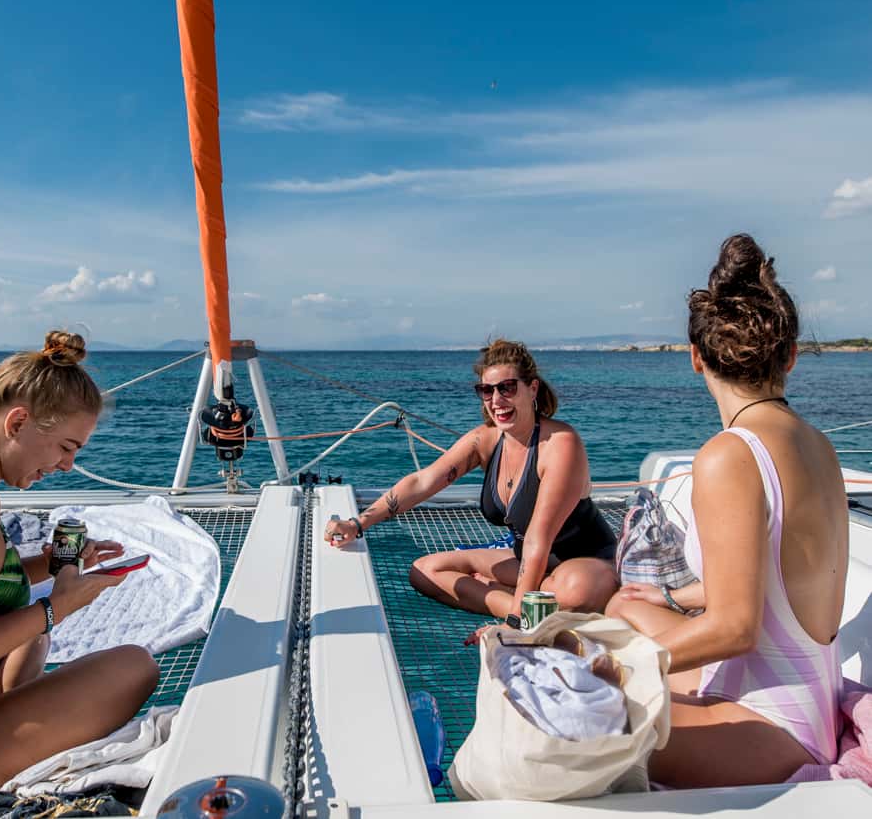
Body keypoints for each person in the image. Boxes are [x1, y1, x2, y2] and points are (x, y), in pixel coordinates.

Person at [606, 235, 848, 787]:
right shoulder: (819, 446)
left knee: (565, 718)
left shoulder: (729, 455)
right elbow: (779, 581)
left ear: (696, 358)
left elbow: (736, 629)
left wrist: (607, 667)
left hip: (772, 725)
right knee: (625, 606)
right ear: (790, 355)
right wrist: (671, 598)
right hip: (802, 701)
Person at [324, 338, 618, 643]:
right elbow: (422, 482)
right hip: (529, 565)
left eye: (507, 388)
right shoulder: (485, 440)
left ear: (533, 389)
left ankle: (521, 607)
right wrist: (358, 524)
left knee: (574, 592)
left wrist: (515, 625)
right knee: (425, 571)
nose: (496, 400)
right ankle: (528, 606)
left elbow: (537, 539)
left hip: (585, 565)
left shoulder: (559, 444)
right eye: (487, 391)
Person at [0, 331, 159, 798]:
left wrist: (52, 563)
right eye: (65, 446)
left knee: (32, 637)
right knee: (133, 666)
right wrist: (58, 606)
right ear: (18, 422)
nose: (68, 465)